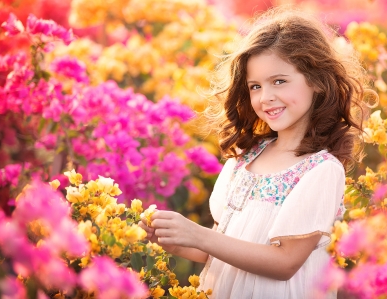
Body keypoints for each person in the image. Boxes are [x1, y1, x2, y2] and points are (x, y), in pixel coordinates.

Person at [139, 6, 371, 299]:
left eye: (279, 81)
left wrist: (198, 235)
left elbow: (286, 262)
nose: (266, 97)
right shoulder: (246, 157)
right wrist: (177, 241)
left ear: (315, 80)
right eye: (255, 86)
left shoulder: (320, 169)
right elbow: (223, 247)